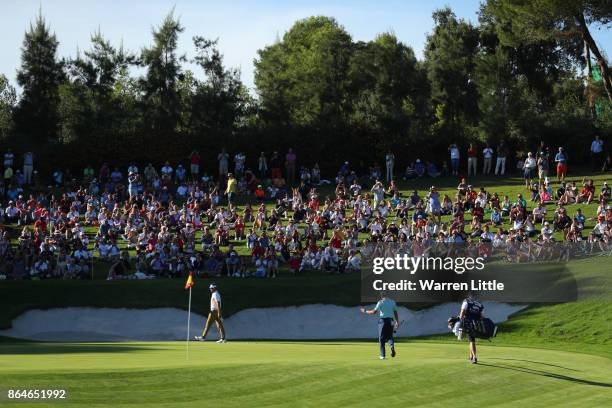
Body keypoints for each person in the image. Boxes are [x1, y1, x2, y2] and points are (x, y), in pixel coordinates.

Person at [360, 292, 399, 360]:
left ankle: (382, 355)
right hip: (390, 321)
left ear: (381, 296)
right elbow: (395, 312)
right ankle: (391, 346)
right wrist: (397, 321)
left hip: (383, 321)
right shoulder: (392, 302)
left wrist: (365, 311)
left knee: (381, 339)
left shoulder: (380, 302)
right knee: (389, 336)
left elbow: (374, 312)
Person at [459, 293, 484, 364]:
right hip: (477, 325)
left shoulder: (466, 301)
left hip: (468, 324)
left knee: (471, 341)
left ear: (469, 296)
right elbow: (482, 316)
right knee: (471, 340)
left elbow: (462, 313)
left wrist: (459, 321)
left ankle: (474, 357)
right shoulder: (479, 304)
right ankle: (470, 356)